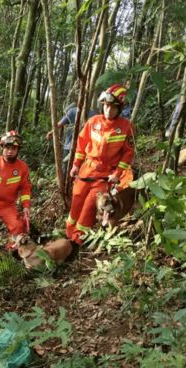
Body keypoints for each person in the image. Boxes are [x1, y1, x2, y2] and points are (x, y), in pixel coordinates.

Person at [67, 84, 135, 249]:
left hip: (106, 175)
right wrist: (76, 165)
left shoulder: (126, 127)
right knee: (76, 200)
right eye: (106, 106)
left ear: (119, 108)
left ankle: (78, 241)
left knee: (90, 205)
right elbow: (81, 145)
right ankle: (69, 234)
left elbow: (128, 154)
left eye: (112, 107)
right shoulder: (93, 122)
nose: (108, 110)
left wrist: (118, 173)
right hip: (86, 170)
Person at [46, 104, 96, 172]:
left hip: (69, 146)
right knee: (81, 170)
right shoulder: (93, 113)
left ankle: (64, 182)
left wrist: (50, 133)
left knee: (66, 169)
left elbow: (59, 124)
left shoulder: (72, 111)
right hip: (84, 149)